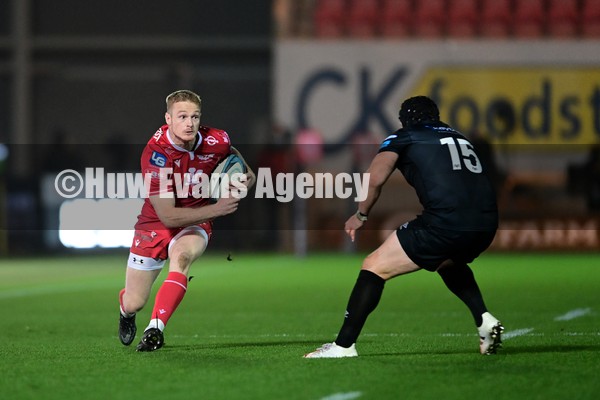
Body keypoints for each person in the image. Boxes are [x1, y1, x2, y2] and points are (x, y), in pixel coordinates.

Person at [304, 96, 503, 358]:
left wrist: (361, 215)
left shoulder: (405, 136)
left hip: (446, 223)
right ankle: (484, 319)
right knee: (447, 261)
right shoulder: (459, 137)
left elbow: (375, 178)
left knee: (373, 266)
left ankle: (343, 346)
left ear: (405, 119)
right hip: (487, 224)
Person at [118, 89, 255, 351]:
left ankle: (155, 329)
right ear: (168, 119)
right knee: (135, 301)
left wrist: (241, 183)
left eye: (194, 117)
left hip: (195, 221)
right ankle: (126, 313)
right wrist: (218, 208)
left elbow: (246, 172)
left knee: (181, 257)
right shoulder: (156, 154)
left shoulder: (217, 139)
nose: (189, 123)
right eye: (182, 116)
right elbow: (168, 215)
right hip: (156, 221)